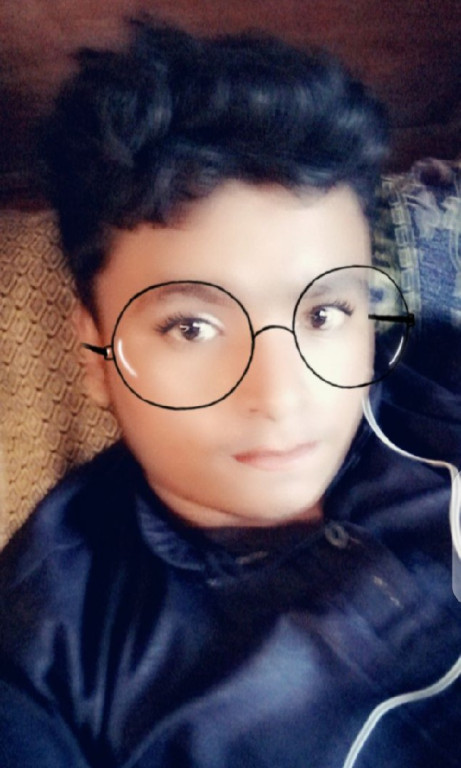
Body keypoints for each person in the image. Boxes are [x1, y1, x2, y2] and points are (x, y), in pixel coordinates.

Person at [0, 19, 460, 768]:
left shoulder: (437, 384)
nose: (279, 396)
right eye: (192, 327)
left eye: (323, 313)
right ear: (94, 352)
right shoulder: (45, 652)